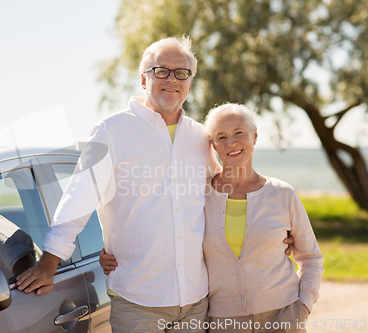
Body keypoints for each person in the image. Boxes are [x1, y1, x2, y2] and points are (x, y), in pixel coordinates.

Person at [16, 37, 293, 332]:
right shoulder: (111, 131)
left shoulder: (199, 138)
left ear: (190, 81)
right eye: (161, 71)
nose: (172, 79)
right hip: (137, 302)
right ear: (143, 79)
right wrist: (48, 265)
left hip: (196, 302)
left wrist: (268, 234)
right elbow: (77, 200)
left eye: (181, 73)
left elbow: (224, 191)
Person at [102, 103, 323, 332]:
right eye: (221, 137)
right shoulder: (200, 194)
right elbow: (162, 222)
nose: (231, 143)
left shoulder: (281, 194)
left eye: (239, 133)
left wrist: (303, 306)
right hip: (223, 322)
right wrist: (113, 248)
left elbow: (311, 257)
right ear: (213, 146)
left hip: (283, 315)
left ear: (254, 136)